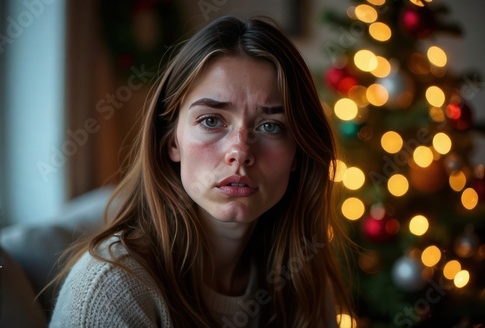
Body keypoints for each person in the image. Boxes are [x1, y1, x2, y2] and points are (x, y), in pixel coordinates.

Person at [50, 15, 353, 327]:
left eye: (270, 125)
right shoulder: (112, 289)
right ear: (172, 141)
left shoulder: (302, 281)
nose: (240, 152)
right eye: (211, 120)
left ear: (297, 155)